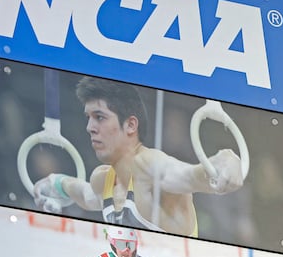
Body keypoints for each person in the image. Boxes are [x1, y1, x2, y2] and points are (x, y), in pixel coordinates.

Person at [33, 76, 243, 237]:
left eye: (99, 117)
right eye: (88, 118)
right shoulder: (103, 179)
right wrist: (56, 182)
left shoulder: (150, 166)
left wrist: (226, 161)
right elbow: (85, 194)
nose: (89, 128)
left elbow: (190, 175)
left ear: (131, 125)